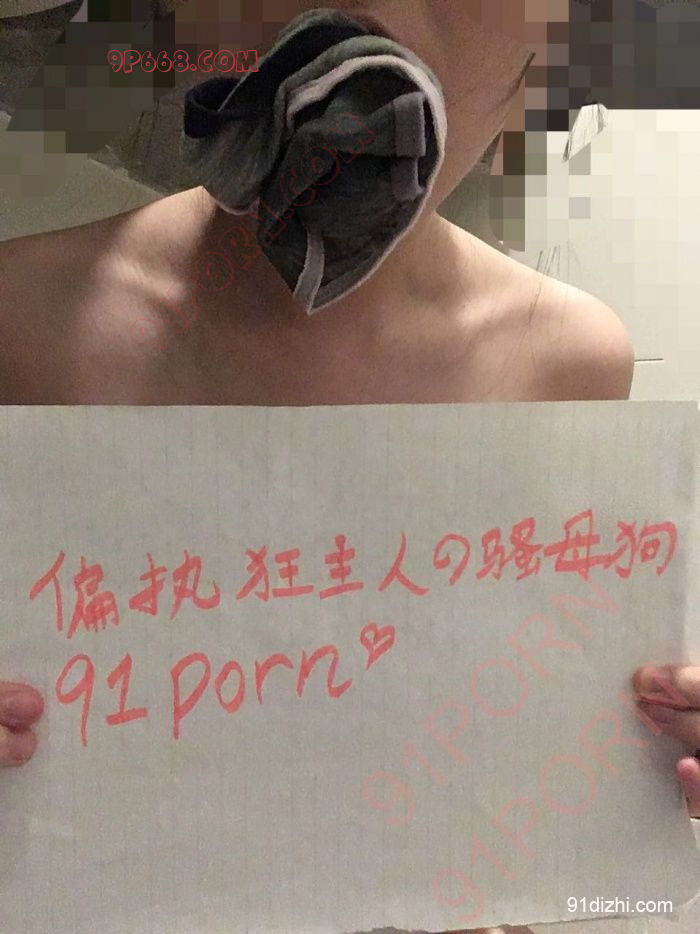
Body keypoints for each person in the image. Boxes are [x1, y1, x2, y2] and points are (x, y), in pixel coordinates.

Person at [0, 2, 698, 932]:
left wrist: (641, 743)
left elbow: (510, 772)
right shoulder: (21, 325)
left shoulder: (570, 363)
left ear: (547, 46)